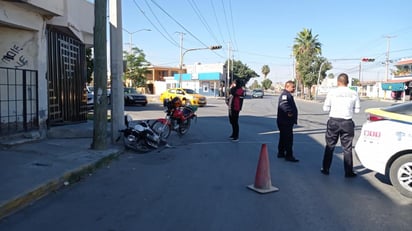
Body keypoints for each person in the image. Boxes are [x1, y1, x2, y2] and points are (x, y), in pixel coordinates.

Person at [321, 73, 360, 177]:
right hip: (347, 123)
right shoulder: (354, 93)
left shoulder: (332, 92)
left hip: (333, 121)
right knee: (347, 148)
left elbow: (325, 108)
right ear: (347, 82)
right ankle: (348, 172)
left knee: (330, 146)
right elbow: (357, 110)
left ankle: (325, 169)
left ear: (338, 82)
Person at [277, 80, 299, 162]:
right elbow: (284, 105)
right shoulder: (285, 95)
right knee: (288, 139)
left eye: (294, 87)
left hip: (284, 121)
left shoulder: (287, 94)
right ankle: (289, 155)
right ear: (287, 87)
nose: (294, 88)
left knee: (283, 137)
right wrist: (289, 113)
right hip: (285, 121)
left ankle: (281, 152)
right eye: (292, 87)